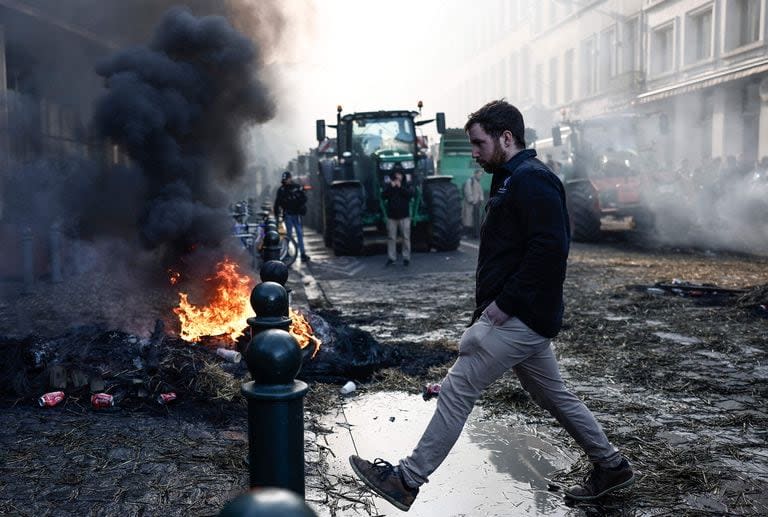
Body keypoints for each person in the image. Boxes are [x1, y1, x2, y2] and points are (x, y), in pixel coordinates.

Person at [349, 100, 634, 511]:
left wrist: (501, 307)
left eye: (479, 144)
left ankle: (406, 480)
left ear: (506, 137)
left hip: (519, 316)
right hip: (523, 316)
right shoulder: (510, 178)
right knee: (553, 395)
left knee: (459, 387)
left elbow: (550, 252)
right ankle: (611, 465)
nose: (474, 153)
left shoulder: (532, 180)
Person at [274, 171, 310, 262]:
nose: (286, 181)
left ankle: (302, 254)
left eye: (287, 179)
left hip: (296, 215)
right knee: (289, 235)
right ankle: (286, 253)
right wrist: (277, 216)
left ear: (290, 178)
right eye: (285, 179)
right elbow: (277, 204)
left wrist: (301, 206)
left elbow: (304, 198)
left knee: (299, 234)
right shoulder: (282, 190)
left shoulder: (297, 187)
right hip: (288, 215)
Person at [382, 169, 413, 266]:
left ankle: (406, 258)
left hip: (404, 216)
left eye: (399, 174)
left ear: (402, 176)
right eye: (396, 175)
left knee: (406, 237)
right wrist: (391, 187)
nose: (398, 177)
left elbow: (410, 195)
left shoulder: (406, 185)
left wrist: (400, 187)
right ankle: (391, 258)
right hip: (392, 216)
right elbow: (383, 196)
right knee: (391, 237)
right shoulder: (389, 186)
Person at [461, 169, 484, 238]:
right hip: (471, 204)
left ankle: (473, 234)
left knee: (474, 220)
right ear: (475, 174)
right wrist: (471, 200)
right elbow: (468, 191)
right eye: (479, 175)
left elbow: (480, 192)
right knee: (468, 219)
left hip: (476, 204)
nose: (480, 176)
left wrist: (481, 200)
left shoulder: (477, 182)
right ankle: (466, 234)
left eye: (481, 175)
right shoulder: (470, 181)